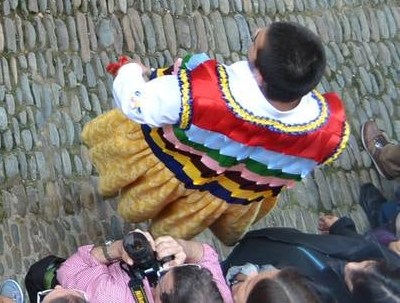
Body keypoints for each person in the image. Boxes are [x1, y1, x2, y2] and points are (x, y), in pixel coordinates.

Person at [83, 21, 349, 243]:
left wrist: (131, 71)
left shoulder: (203, 93)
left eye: (255, 40)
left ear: (260, 77)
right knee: (169, 233)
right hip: (227, 192)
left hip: (172, 165)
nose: (256, 30)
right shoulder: (330, 132)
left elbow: (137, 104)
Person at [222, 217, 400, 303]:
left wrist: (245, 285)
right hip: (276, 243)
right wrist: (341, 227)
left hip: (239, 277)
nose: (351, 265)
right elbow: (363, 245)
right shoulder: (390, 269)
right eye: (367, 263)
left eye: (352, 281)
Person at [53, 232, 231, 303]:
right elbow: (207, 255)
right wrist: (182, 247)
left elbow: (68, 270)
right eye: (170, 267)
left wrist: (114, 249)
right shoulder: (215, 295)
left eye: (161, 278)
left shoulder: (107, 296)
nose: (159, 267)